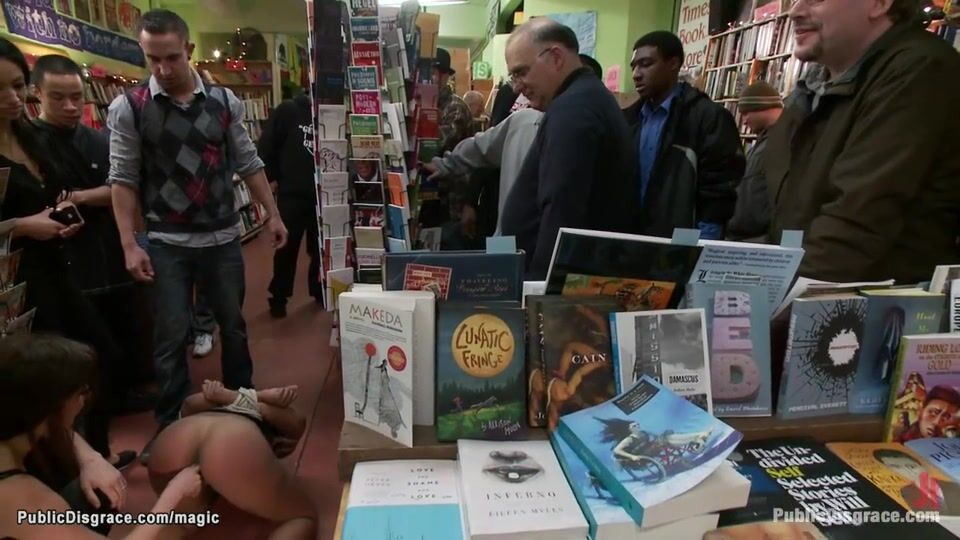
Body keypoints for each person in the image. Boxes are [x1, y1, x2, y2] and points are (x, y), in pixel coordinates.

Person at [107, 10, 289, 461]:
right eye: (153, 59)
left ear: (188, 51)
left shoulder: (224, 102)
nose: (163, 69)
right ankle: (171, 427)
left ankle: (245, 415)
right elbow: (123, 178)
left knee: (235, 328)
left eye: (172, 57)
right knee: (170, 336)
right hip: (166, 242)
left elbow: (249, 162)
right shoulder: (130, 108)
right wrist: (129, 243)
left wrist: (273, 214)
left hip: (223, 239)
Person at [0, 39, 135, 468]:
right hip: (17, 284)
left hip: (57, 267)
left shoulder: (28, 135)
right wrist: (23, 225)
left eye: (17, 85)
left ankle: (95, 453)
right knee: (44, 381)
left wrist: (59, 215)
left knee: (98, 358)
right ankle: (65, 466)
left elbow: (57, 192)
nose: (12, 98)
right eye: (0, 89)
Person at [766, 0, 960, 283]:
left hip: (875, 300)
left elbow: (857, 221)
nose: (794, 11)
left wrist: (776, 296)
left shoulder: (919, 69)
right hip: (811, 288)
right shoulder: (813, 86)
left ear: (879, 4)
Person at [30, 55, 157, 420]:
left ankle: (123, 392)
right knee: (79, 340)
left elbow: (123, 187)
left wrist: (79, 197)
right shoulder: (30, 143)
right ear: (37, 93)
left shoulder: (97, 139)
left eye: (76, 96)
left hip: (109, 248)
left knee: (124, 326)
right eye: (58, 97)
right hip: (64, 258)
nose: (71, 106)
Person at [0, 334, 203, 539]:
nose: (83, 402)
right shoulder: (25, 497)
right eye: (79, 393)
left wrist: (91, 459)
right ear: (51, 406)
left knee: (98, 493)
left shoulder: (17, 427)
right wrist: (174, 495)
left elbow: (64, 431)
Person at [500, 19, 635, 279]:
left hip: (560, 283)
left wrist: (541, 287)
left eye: (521, 72)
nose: (516, 86)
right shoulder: (586, 99)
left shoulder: (573, 111)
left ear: (556, 58)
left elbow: (561, 209)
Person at [422, 54, 604, 238]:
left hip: (553, 241)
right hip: (504, 232)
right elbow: (484, 146)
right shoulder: (525, 120)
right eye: (516, 75)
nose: (519, 86)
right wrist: (447, 168)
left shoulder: (590, 133)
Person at [147, 380, 315, 538]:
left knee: (181, 521)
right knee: (302, 516)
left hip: (176, 437)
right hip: (232, 438)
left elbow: (190, 403)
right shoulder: (270, 416)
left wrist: (234, 397)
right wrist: (257, 398)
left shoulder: (214, 401)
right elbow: (297, 422)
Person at [624, 31, 743, 240]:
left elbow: (720, 187)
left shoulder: (707, 117)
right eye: (633, 66)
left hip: (681, 241)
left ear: (673, 64)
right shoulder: (630, 119)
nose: (636, 74)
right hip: (633, 239)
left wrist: (703, 243)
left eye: (646, 64)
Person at [258, 93, 323, 318]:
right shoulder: (288, 110)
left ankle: (319, 289)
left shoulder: (328, 113)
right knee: (286, 247)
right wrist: (270, 177)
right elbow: (267, 145)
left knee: (319, 249)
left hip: (322, 194)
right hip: (292, 193)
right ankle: (279, 296)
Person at [727, 81, 783, 242]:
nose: (744, 121)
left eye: (746, 113)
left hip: (760, 240)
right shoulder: (763, 142)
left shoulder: (782, 144)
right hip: (747, 238)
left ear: (762, 107)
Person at [874, 448, 960, 513]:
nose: (908, 470)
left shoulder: (954, 486)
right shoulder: (904, 496)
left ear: (922, 466)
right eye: (897, 467)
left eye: (912, 466)